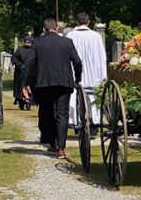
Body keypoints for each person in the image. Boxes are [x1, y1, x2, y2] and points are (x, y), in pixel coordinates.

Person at [23, 18, 82, 159]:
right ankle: (61, 148)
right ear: (57, 28)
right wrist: (77, 78)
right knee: (62, 114)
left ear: (44, 29)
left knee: (47, 113)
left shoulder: (37, 42)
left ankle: (51, 144)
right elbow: (77, 62)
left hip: (44, 83)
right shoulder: (67, 42)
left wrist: (25, 83)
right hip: (63, 82)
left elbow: (30, 63)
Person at [68, 12, 107, 129]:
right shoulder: (96, 36)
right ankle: (94, 118)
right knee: (93, 93)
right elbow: (101, 56)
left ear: (76, 22)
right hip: (93, 70)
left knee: (75, 93)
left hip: (75, 70)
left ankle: (74, 118)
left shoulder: (70, 36)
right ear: (88, 22)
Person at [11, 35, 36, 111]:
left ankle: (22, 104)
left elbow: (14, 59)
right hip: (29, 73)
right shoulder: (34, 51)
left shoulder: (19, 50)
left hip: (22, 72)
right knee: (28, 88)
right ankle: (28, 104)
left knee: (21, 88)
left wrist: (20, 65)